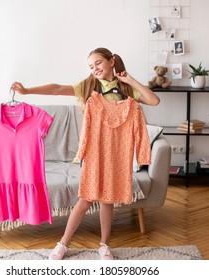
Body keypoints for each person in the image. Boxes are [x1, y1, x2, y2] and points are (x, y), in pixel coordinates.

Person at [10, 47, 160, 260]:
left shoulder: (127, 91)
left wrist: (131, 80)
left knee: (108, 200)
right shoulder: (89, 87)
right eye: (91, 66)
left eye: (98, 63)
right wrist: (27, 91)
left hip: (118, 154)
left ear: (112, 61)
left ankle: (104, 245)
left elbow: (154, 101)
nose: (95, 68)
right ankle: (63, 243)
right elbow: (56, 89)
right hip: (93, 153)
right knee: (86, 200)